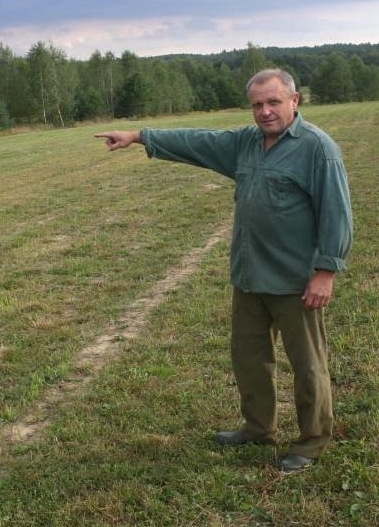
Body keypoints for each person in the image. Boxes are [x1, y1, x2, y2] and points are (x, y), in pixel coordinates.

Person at [95, 68, 352, 472]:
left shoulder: (318, 150)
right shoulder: (246, 144)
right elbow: (198, 142)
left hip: (295, 282)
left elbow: (337, 215)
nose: (265, 112)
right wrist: (140, 136)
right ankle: (258, 428)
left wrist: (326, 272)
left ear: (295, 101)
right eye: (257, 104)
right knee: (249, 359)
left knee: (308, 365)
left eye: (273, 102)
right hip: (250, 277)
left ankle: (311, 441)